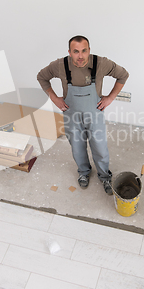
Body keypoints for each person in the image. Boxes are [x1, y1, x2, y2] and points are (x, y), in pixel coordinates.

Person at [37, 35, 129, 195]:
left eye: (84, 51)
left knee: (100, 147)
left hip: (95, 114)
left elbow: (123, 75)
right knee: (77, 148)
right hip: (72, 115)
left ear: (89, 50)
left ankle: (105, 176)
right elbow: (42, 77)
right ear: (69, 52)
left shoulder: (101, 63)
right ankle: (84, 172)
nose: (80, 56)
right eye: (76, 51)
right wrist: (54, 98)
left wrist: (111, 97)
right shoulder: (60, 65)